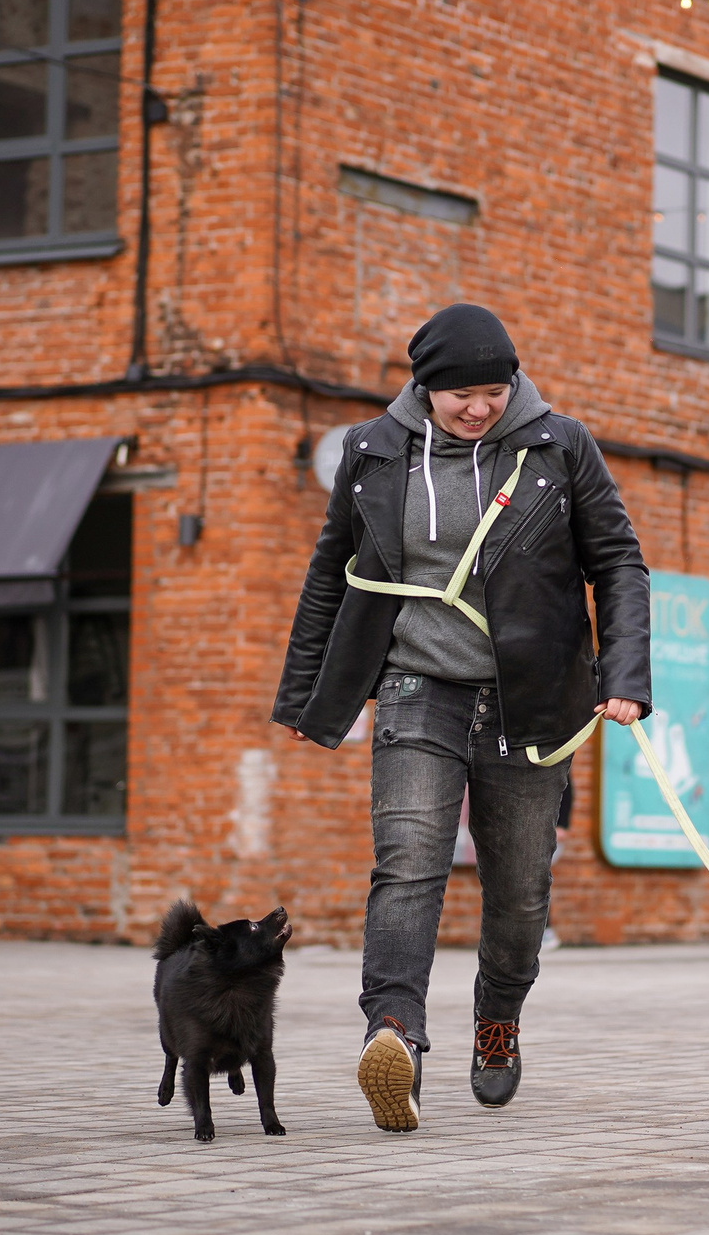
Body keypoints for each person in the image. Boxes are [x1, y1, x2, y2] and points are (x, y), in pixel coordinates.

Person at [273, 304, 650, 1132]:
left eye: (492, 389)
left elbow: (618, 561)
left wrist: (623, 674)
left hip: (534, 697)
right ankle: (395, 1032)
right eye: (458, 394)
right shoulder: (375, 450)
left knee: (519, 893)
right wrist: (305, 691)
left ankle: (498, 1018)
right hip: (417, 686)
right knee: (409, 859)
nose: (478, 407)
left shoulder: (559, 445)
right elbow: (331, 572)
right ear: (423, 386)